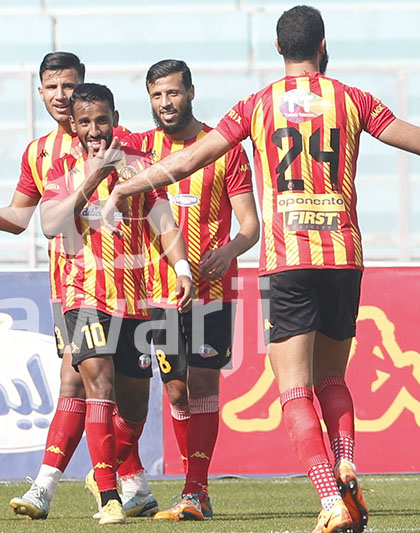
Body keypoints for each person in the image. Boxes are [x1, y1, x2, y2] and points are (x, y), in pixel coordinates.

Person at [101, 6, 420, 533]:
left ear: (279, 51)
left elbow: (184, 162)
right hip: (343, 258)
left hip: (288, 263)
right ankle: (346, 464)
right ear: (323, 45)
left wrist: (123, 187)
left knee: (294, 389)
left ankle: (329, 498)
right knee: (332, 377)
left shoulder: (256, 106)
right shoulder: (352, 99)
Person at [0, 52, 157, 520]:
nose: (60, 96)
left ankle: (107, 481)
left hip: (128, 286)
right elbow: (21, 220)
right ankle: (77, 485)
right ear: (41, 92)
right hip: (72, 287)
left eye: (69, 86)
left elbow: (154, 203)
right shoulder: (38, 153)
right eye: (52, 88)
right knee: (81, 380)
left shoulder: (117, 143)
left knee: (101, 387)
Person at [40, 83, 193, 525]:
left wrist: (181, 269)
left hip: (136, 303)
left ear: (114, 119)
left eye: (101, 120)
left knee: (135, 408)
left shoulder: (140, 168)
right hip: (85, 297)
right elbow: (51, 224)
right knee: (98, 386)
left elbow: (163, 223)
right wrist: (94, 175)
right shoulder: (64, 172)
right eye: (84, 122)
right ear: (73, 124)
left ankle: (104, 470)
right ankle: (108, 495)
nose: (93, 129)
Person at [122, 59, 259, 521]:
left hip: (213, 290)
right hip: (156, 292)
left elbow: (251, 226)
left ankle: (195, 489)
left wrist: (230, 249)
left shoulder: (224, 149)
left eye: (174, 93)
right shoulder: (140, 147)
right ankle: (133, 475)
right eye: (157, 95)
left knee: (203, 382)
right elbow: (92, 137)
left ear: (192, 92)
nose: (166, 103)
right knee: (176, 392)